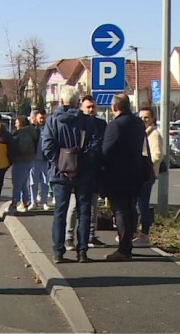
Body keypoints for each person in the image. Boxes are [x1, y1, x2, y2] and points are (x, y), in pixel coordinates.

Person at [41, 86, 101, 263]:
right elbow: (95, 145)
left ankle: (58, 252)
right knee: (84, 211)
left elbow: (47, 147)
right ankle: (82, 251)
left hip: (59, 173)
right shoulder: (87, 121)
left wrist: (62, 165)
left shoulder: (52, 121)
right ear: (78, 102)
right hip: (83, 173)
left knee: (60, 212)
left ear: (61, 101)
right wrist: (80, 165)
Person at [100, 94, 146, 262]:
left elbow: (106, 151)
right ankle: (128, 247)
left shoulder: (115, 125)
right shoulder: (138, 123)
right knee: (130, 210)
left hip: (117, 175)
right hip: (135, 172)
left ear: (114, 107)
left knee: (120, 211)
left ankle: (123, 249)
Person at [66, 96, 107, 250]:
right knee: (74, 205)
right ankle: (69, 237)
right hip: (77, 169)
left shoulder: (101, 124)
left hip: (95, 170)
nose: (91, 110)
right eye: (88, 107)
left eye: (93, 107)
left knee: (93, 205)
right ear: (81, 107)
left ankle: (91, 235)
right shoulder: (77, 124)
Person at [134, 106, 163, 248]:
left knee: (143, 204)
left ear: (152, 119)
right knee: (139, 204)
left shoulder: (154, 134)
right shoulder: (142, 133)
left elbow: (157, 155)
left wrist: (144, 164)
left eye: (146, 117)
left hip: (147, 174)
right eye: (141, 117)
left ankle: (144, 234)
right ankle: (137, 233)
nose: (143, 120)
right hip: (140, 174)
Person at [11, 116, 38, 213]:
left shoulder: (23, 134)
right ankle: (24, 202)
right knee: (23, 183)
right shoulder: (29, 132)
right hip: (28, 160)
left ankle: (14, 203)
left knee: (17, 183)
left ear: (21, 123)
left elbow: (22, 148)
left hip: (21, 160)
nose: (15, 124)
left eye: (17, 122)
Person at [30, 110, 51, 209]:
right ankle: (33, 202)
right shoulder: (33, 130)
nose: (42, 120)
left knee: (45, 182)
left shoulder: (49, 129)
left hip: (45, 159)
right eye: (40, 118)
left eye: (43, 118)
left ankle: (44, 202)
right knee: (33, 182)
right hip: (34, 159)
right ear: (36, 118)